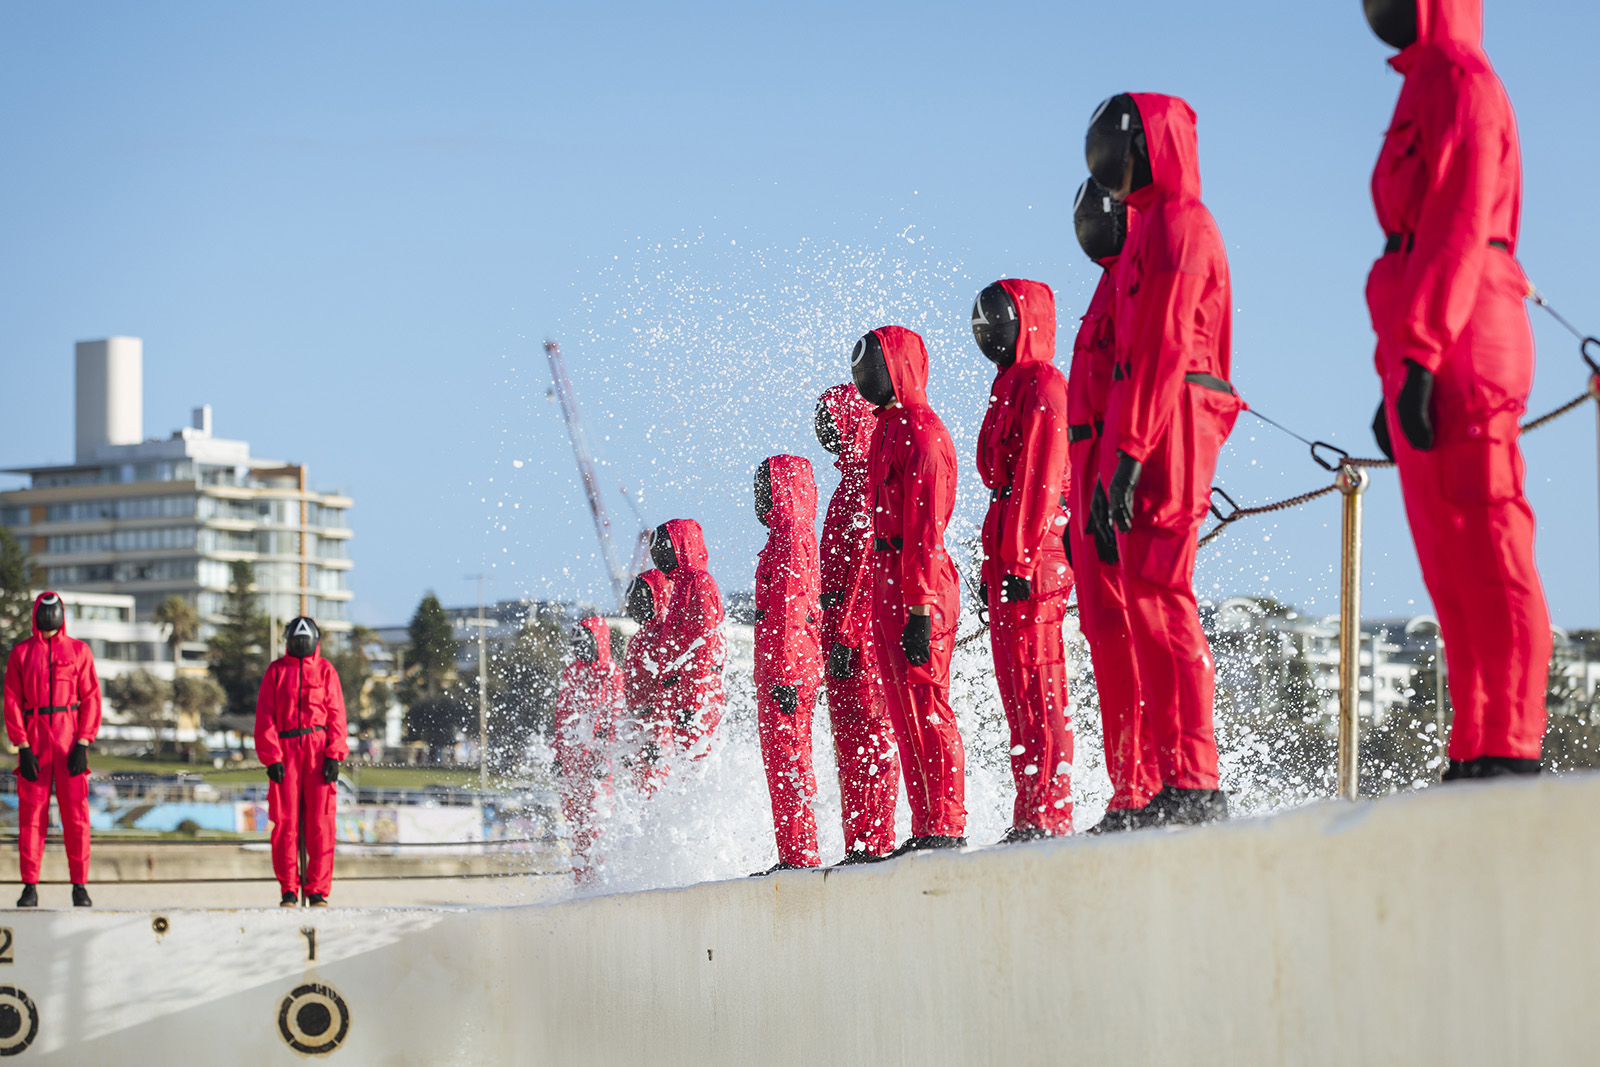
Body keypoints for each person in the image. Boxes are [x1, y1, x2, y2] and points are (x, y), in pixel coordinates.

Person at [1363, 0, 1549, 779]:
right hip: (1423, 340)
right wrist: (1400, 366)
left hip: (1466, 332)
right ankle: (1474, 744)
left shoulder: (1466, 82)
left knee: (1491, 545)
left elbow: (1462, 219)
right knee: (1447, 558)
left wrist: (1424, 351)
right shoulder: (1420, 86)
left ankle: (1510, 743)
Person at [1085, 92, 1243, 826]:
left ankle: (1195, 775)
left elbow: (1165, 348)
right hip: (1147, 421)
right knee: (1145, 599)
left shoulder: (1183, 225)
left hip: (1173, 419)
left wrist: (1128, 454)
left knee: (1162, 591)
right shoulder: (1151, 230)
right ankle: (1166, 779)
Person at [1067, 178, 1160, 832]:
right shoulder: (1111, 286)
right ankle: (1128, 785)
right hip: (1091, 481)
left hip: (1118, 474)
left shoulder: (1138, 280)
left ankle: (1154, 782)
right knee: (1108, 646)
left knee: (1136, 637)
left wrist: (1121, 472)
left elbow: (1145, 371)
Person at [853, 325, 966, 852]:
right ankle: (924, 824)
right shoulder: (886, 430)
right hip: (887, 579)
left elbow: (927, 530)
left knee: (927, 703)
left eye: (871, 366)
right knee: (903, 710)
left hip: (918, 582)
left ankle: (945, 824)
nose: (861, 378)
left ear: (897, 367)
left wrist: (920, 607)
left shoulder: (923, 432)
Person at [972, 278, 1075, 842]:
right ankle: (1030, 810)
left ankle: (1050, 814)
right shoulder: (1008, 386)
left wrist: (1018, 563)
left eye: (999, 320)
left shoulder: (1043, 386)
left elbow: (1038, 480)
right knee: (1017, 691)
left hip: (1033, 558)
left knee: (1040, 686)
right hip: (1008, 551)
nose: (988, 332)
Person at [815, 384, 900, 863]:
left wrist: (846, 633)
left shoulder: (868, 479)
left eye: (828, 417)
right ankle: (861, 844)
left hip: (862, 640)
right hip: (844, 638)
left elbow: (867, 566)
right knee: (850, 744)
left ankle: (875, 842)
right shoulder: (850, 480)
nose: (823, 429)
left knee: (870, 738)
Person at [750, 455, 825, 874]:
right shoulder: (784, 536)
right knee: (782, 763)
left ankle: (800, 855)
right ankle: (793, 853)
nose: (758, 498)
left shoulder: (793, 536)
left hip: (788, 672)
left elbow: (794, 607)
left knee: (791, 759)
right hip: (782, 669)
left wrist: (785, 672)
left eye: (765, 488)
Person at [3, 592, 101, 907]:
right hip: (34, 740)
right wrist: (22, 745)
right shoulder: (22, 653)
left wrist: (84, 741)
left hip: (70, 739)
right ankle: (30, 886)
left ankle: (79, 885)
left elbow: (91, 698)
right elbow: (12, 700)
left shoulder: (79, 651)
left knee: (77, 816)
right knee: (31, 817)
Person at [255, 616, 348, 906]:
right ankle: (289, 889)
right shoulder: (276, 672)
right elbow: (265, 716)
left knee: (321, 822)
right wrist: (271, 757)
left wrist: (335, 753)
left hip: (318, 751)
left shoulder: (326, 671)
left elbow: (336, 714)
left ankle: (317, 889)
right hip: (285, 750)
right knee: (284, 823)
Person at [554, 616, 625, 884]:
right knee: (575, 823)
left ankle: (601, 881)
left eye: (584, 643)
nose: (579, 650)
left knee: (598, 823)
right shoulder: (572, 673)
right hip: (573, 764)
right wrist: (558, 756)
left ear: (598, 641)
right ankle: (581, 881)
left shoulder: (613, 674)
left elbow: (616, 719)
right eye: (575, 644)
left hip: (597, 767)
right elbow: (562, 718)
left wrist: (605, 758)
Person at [650, 519, 726, 755]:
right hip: (686, 696)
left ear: (681, 546)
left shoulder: (699, 584)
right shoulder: (683, 585)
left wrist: (691, 703)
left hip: (698, 697)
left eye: (663, 547)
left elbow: (701, 646)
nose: (657, 555)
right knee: (688, 770)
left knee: (698, 765)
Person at [621, 569, 676, 793]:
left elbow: (668, 687)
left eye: (639, 600)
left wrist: (657, 737)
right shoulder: (638, 638)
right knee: (640, 795)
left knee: (657, 791)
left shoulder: (666, 634)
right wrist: (627, 740)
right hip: (640, 727)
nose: (632, 607)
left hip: (659, 729)